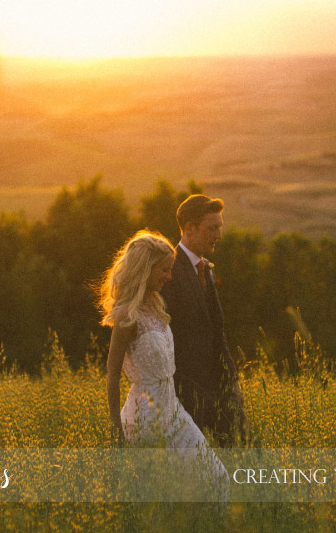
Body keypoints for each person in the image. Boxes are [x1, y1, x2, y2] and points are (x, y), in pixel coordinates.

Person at [100, 230, 228, 498]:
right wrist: (116, 431)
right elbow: (112, 375)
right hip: (145, 419)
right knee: (162, 496)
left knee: (217, 479)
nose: (169, 277)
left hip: (175, 413)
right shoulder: (127, 315)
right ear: (145, 270)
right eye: (164, 271)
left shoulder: (157, 309)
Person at [160, 195, 246, 447]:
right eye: (212, 228)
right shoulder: (168, 271)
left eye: (220, 227)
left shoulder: (206, 268)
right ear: (189, 228)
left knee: (244, 451)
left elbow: (216, 332)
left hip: (221, 387)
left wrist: (231, 379)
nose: (219, 235)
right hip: (187, 392)